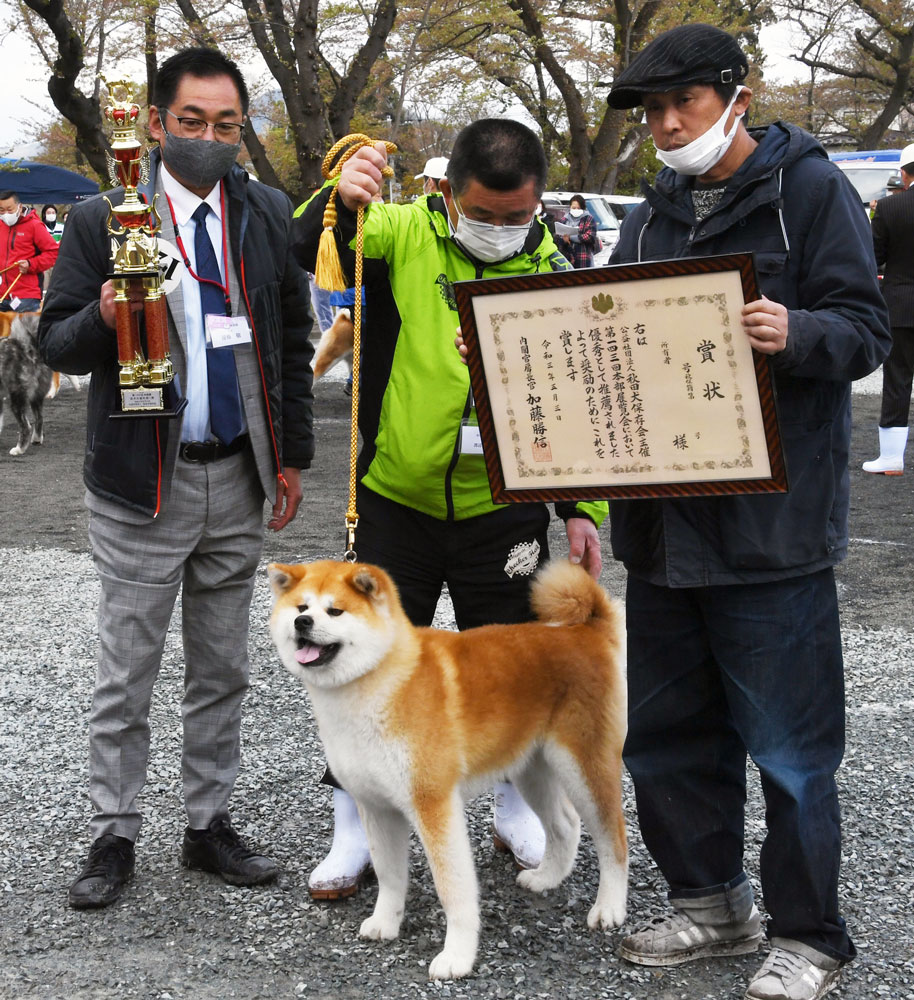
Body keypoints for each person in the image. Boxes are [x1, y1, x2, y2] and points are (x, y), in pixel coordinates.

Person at [605, 24, 890, 1000]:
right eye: (651, 110)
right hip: (658, 528)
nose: (666, 124)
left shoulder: (807, 190)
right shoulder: (647, 213)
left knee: (790, 749)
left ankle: (809, 934)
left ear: (735, 93)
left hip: (769, 534)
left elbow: (865, 330)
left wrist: (794, 328)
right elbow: (602, 331)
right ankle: (708, 902)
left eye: (681, 101)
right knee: (666, 735)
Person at [293, 119, 607, 900]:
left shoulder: (555, 268)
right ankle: (353, 824)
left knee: (510, 668)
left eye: (516, 216)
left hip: (502, 509)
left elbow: (577, 401)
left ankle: (514, 806)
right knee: (355, 668)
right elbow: (308, 244)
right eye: (484, 213)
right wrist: (341, 191)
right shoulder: (403, 231)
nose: (501, 230)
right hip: (395, 499)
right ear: (448, 194)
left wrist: (582, 508)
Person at [38, 46, 315, 910]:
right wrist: (105, 315)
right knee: (128, 670)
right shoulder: (100, 217)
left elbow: (288, 345)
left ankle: (208, 824)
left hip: (236, 471)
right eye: (192, 121)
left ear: (243, 131)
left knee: (223, 666)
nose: (208, 137)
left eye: (226, 125)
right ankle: (114, 831)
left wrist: (293, 456)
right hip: (141, 479)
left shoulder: (264, 212)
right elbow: (53, 341)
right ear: (156, 124)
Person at [862, 143, 914, 475]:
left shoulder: (891, 207)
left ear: (905, 173)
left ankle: (893, 459)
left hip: (901, 305)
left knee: (897, 380)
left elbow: (872, 257)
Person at [0, 191, 59, 311]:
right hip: (3, 294)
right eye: (1, 210)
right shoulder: (1, 225)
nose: (6, 214)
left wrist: (31, 264)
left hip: (27, 295)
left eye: (9, 209)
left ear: (19, 207)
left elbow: (53, 252)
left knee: (25, 330)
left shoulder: (34, 225)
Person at [557, 193, 599, 267]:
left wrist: (571, 237)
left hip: (583, 258)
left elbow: (590, 236)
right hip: (567, 257)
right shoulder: (565, 219)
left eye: (578, 208)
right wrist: (563, 239)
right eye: (574, 208)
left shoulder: (588, 218)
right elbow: (559, 235)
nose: (576, 210)